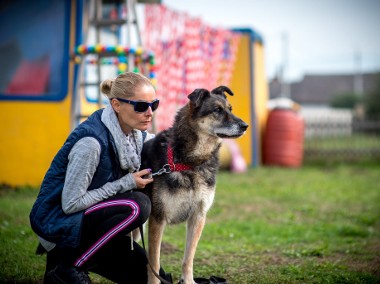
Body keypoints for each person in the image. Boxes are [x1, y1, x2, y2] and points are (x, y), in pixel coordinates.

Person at [30, 72, 164, 284]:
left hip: (92, 227)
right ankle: (67, 268)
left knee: (155, 278)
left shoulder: (135, 135)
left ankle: (66, 268)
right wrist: (126, 183)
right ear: (117, 105)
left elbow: (163, 144)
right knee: (137, 205)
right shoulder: (91, 143)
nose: (149, 113)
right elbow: (71, 204)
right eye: (141, 106)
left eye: (153, 105)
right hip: (63, 227)